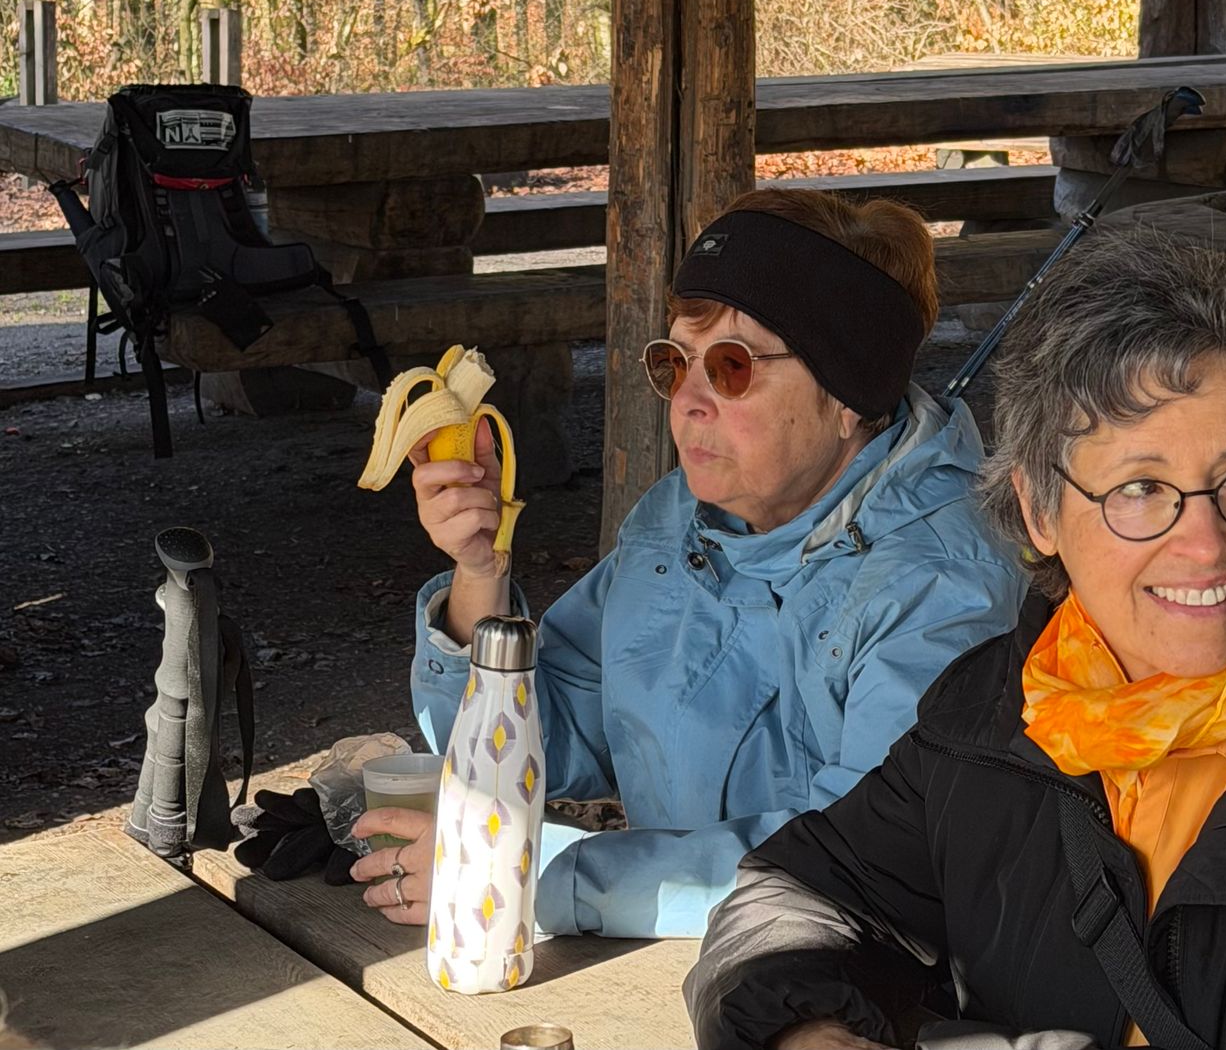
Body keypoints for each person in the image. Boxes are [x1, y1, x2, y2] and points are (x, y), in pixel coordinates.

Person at [686, 228, 1226, 1050]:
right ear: (1039, 511)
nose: (1205, 544)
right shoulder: (993, 721)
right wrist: (807, 1033)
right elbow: (785, 898)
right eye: (1140, 489)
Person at [352, 187, 1027, 937]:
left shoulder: (943, 583)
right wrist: (480, 574)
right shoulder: (678, 519)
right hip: (667, 950)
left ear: (848, 394)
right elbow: (549, 742)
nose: (689, 402)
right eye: (676, 363)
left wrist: (529, 872)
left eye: (733, 367)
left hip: (857, 973)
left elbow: (865, 855)